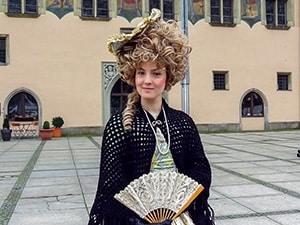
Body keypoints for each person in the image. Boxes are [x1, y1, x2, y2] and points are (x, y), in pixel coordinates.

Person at [88, 8, 213, 225]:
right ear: (132, 75)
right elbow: (112, 186)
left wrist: (179, 205)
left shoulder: (183, 123)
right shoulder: (119, 126)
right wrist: (139, 219)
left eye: (156, 73)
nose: (148, 80)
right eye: (141, 72)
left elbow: (200, 167)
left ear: (168, 76)